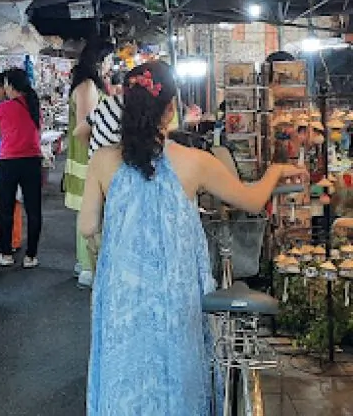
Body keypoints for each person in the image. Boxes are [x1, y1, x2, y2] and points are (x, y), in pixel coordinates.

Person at [79, 61, 305, 415]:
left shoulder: (103, 161)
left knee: (125, 372)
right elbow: (251, 200)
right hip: (176, 296)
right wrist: (276, 169)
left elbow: (87, 227)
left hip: (122, 294)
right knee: (178, 373)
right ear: (170, 109)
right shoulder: (195, 161)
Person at [63, 41, 114, 282]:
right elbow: (85, 127)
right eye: (109, 60)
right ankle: (87, 266)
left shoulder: (89, 85)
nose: (111, 65)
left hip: (90, 157)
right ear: (99, 61)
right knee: (90, 210)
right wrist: (96, 157)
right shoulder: (87, 87)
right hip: (88, 159)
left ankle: (86, 263)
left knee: (90, 209)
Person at [0, 68, 43, 268]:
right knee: (33, 210)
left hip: (9, 161)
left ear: (11, 86)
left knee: (6, 208)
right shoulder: (34, 106)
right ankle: (31, 256)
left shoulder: (2, 108)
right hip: (32, 161)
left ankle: (6, 254)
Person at [0, 73, 23, 250]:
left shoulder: (5, 108)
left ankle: (11, 240)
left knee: (9, 200)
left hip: (3, 158)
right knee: (3, 200)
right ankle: (4, 236)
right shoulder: (1, 106)